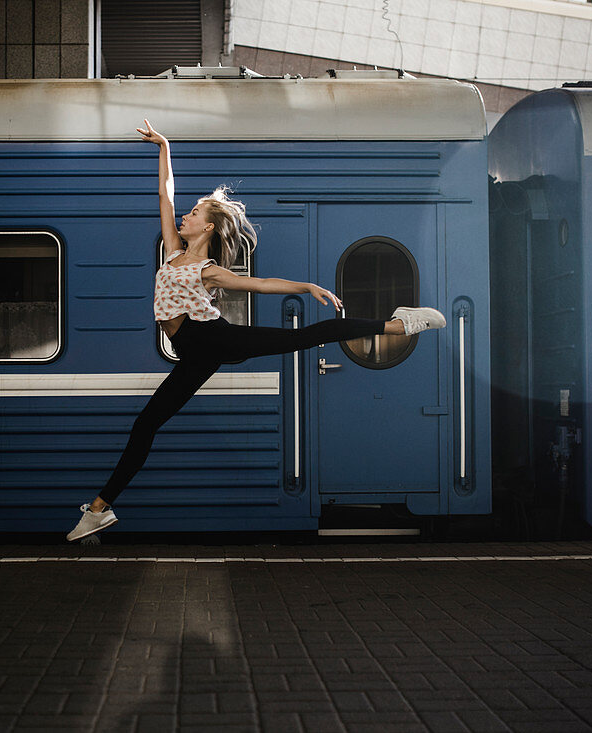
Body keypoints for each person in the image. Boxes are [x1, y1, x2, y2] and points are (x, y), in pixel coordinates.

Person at [66, 120, 446, 541]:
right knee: (146, 425)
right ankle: (100, 510)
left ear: (208, 227)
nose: (186, 216)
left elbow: (262, 285)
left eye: (195, 213)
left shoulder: (208, 270)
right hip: (193, 354)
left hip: (212, 338)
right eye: (189, 212)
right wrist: (164, 146)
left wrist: (306, 286)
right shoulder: (173, 251)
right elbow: (165, 194)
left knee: (302, 338)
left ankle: (397, 324)